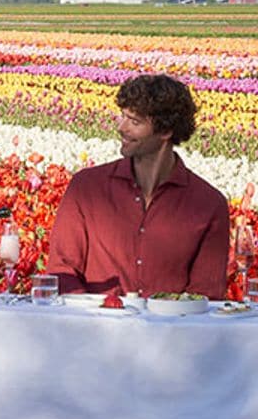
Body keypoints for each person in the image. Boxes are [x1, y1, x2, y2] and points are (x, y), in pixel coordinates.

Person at [45, 74, 230, 299]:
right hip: (93, 328)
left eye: (135, 122)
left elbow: (205, 294)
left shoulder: (208, 204)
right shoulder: (86, 188)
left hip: (170, 330)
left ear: (165, 131)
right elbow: (62, 269)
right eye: (123, 116)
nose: (121, 128)